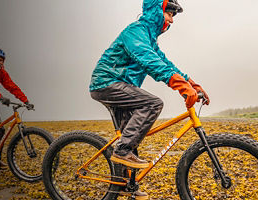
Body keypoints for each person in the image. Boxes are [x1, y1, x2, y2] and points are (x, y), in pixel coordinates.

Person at [89, 0, 210, 198]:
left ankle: (129, 185)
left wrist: (192, 84)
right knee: (152, 104)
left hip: (122, 86)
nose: (172, 20)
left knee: (132, 138)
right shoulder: (135, 31)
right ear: (157, 10)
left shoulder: (149, 38)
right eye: (170, 13)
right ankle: (121, 152)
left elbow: (165, 63)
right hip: (106, 83)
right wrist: (180, 86)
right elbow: (149, 61)